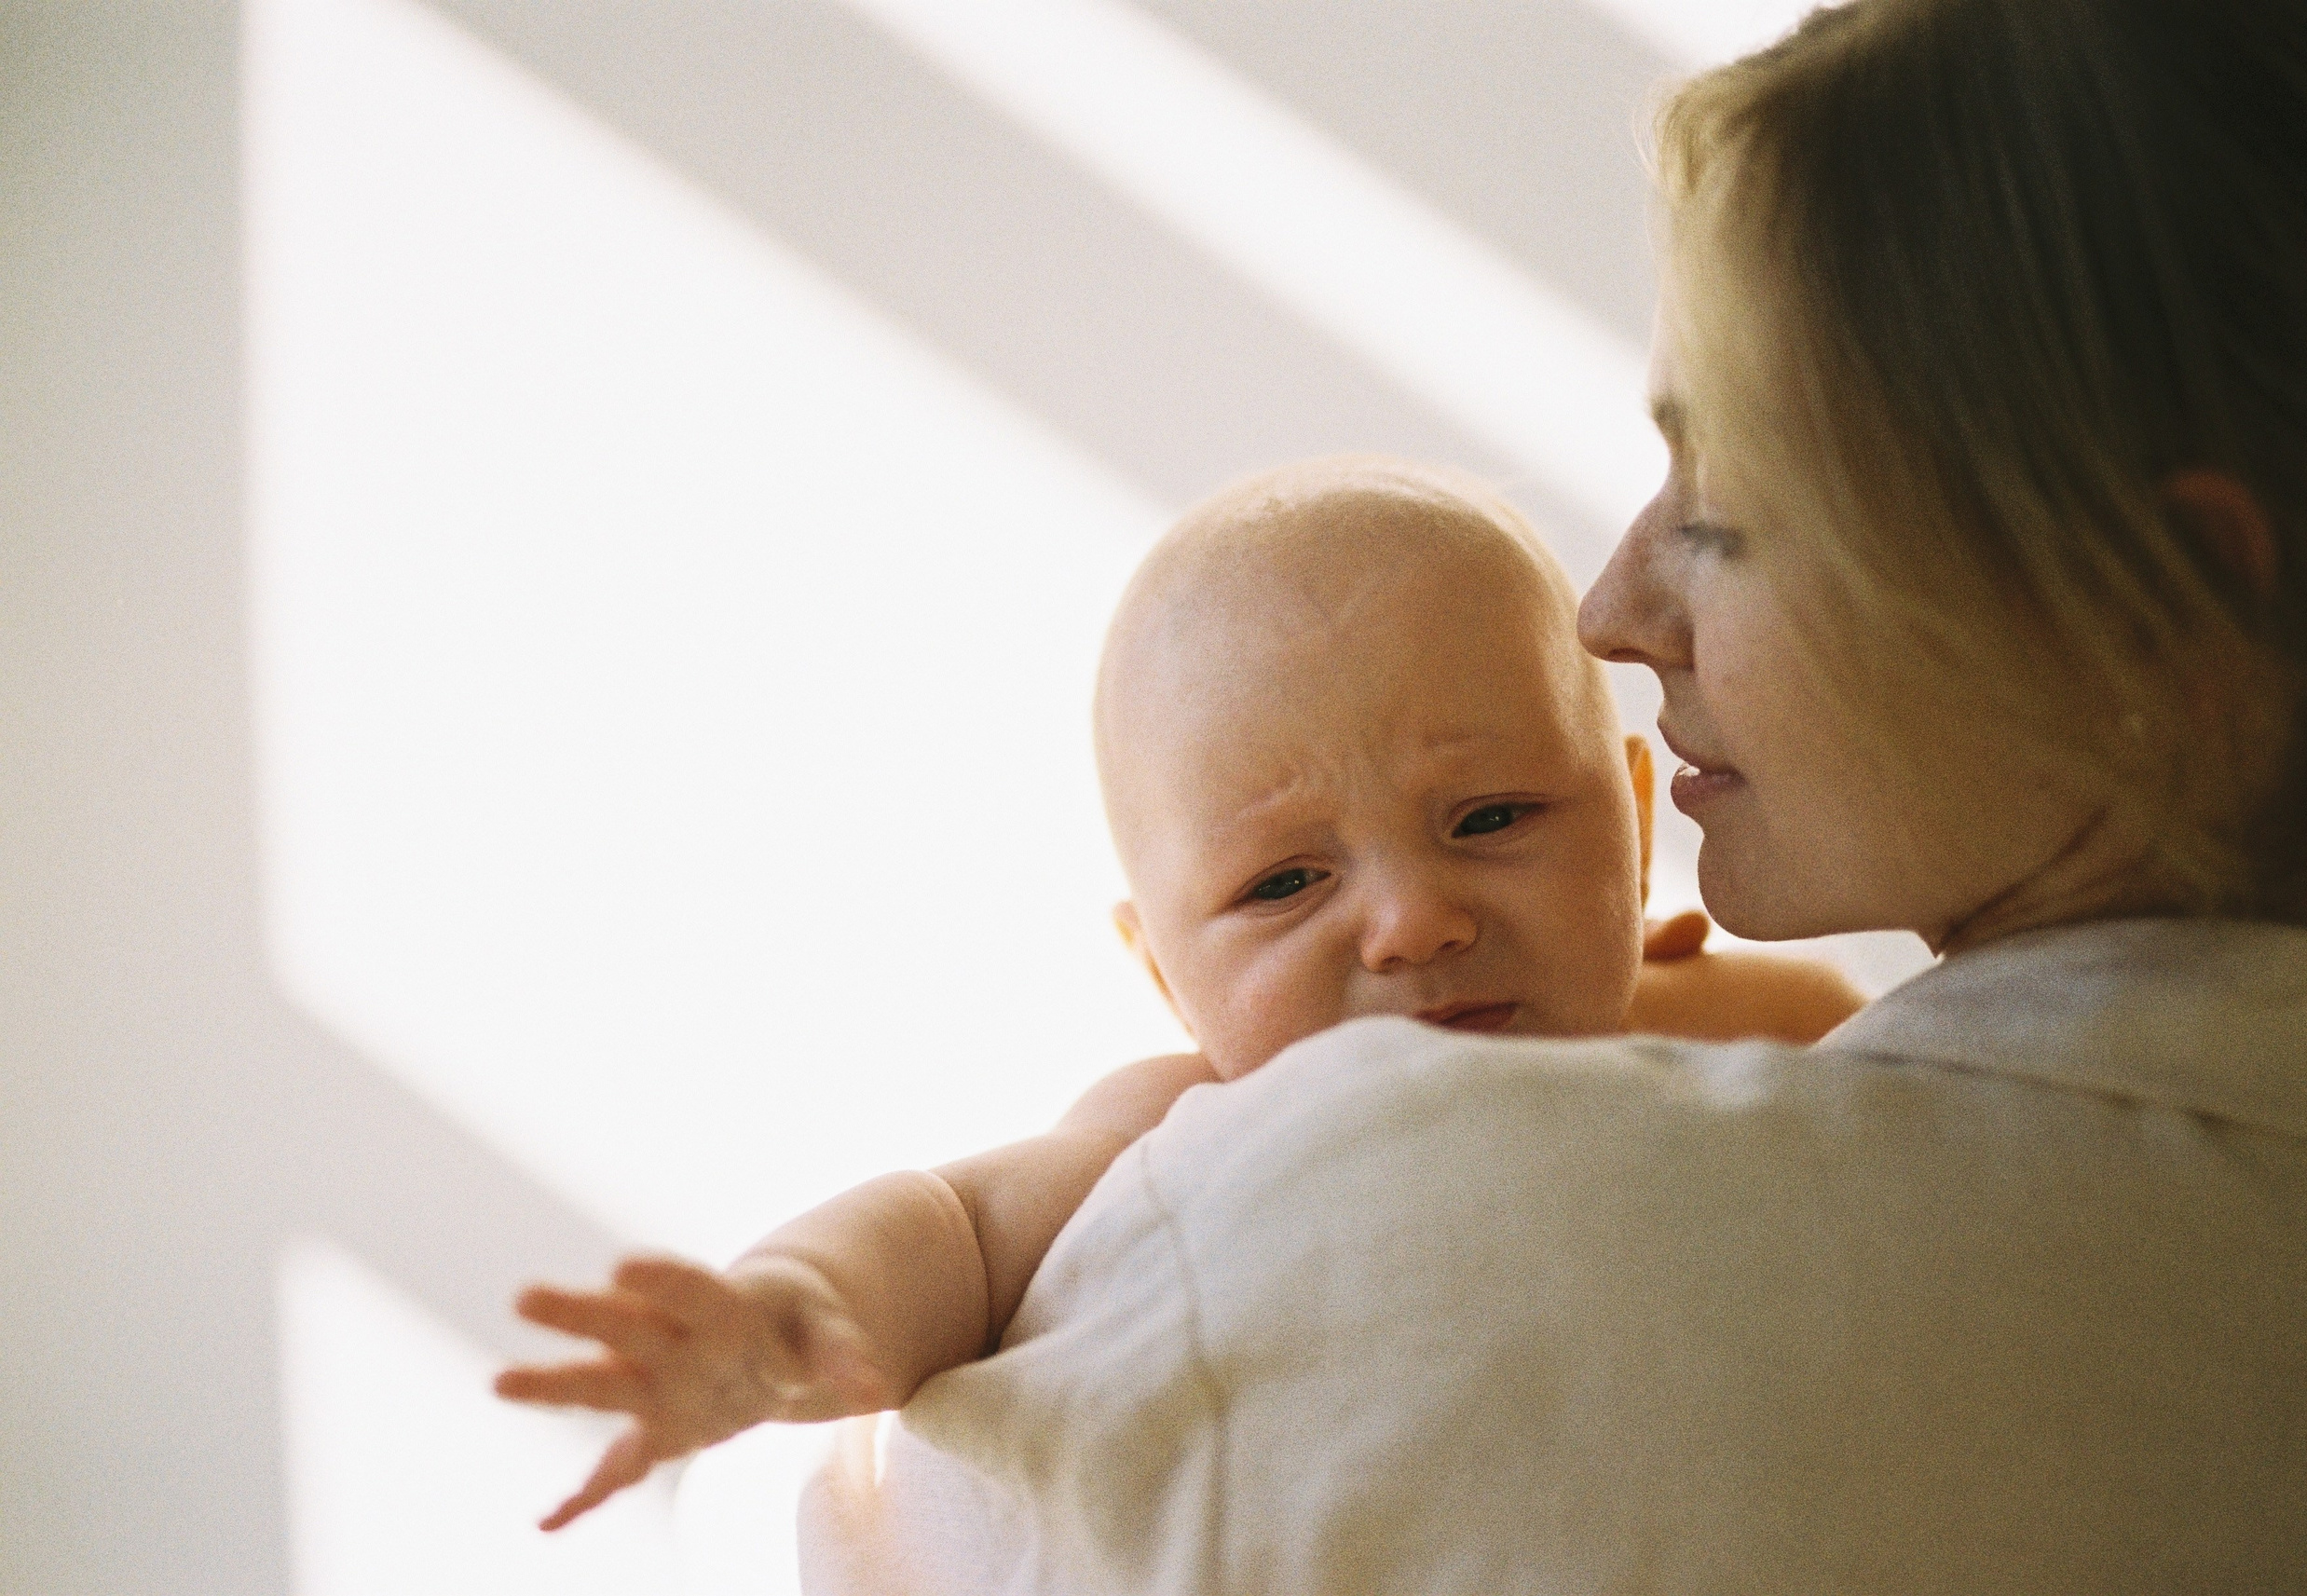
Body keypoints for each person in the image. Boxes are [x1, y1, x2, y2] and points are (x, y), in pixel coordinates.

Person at [792, 0, 2307, 1589]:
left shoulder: (1357, 1241)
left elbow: (852, 1531)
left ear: (2151, 606)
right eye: (1283, 879)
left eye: (1731, 508)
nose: (1613, 607)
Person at [492, 457, 1864, 1531]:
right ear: (1163, 971)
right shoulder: (1179, 1122)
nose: (1410, 918)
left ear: (1630, 829)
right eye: (1283, 884)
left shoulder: (1739, 1019)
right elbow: (955, 1224)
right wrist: (788, 1314)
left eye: (1492, 814)